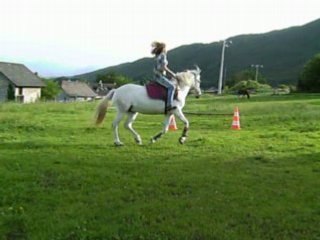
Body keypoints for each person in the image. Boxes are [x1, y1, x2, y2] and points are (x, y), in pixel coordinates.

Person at [151, 41, 176, 112]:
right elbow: (163, 68)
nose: (166, 49)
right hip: (160, 76)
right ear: (163, 48)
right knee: (172, 87)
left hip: (156, 76)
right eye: (166, 48)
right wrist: (172, 74)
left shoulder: (157, 56)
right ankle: (169, 105)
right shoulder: (163, 55)